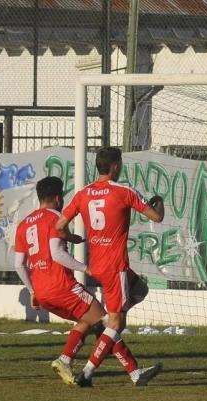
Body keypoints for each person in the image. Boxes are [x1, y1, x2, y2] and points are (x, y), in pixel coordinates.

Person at [57, 146, 164, 387]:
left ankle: (130, 366)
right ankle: (86, 373)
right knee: (116, 323)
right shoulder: (123, 191)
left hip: (97, 266)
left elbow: (60, 224)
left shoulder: (83, 194)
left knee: (140, 291)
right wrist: (160, 203)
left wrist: (72, 238)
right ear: (115, 166)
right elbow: (156, 217)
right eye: (121, 163)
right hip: (116, 267)